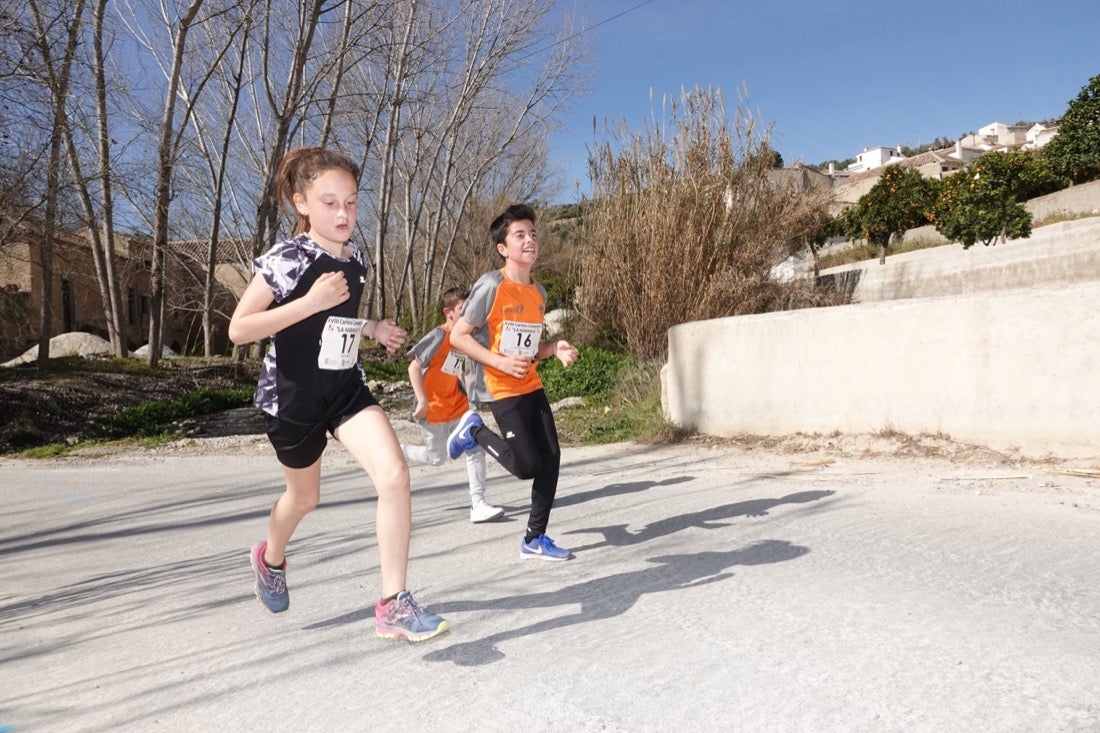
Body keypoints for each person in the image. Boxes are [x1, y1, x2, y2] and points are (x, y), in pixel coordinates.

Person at [228, 146, 448, 642]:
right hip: (293, 399)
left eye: (351, 201)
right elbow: (239, 330)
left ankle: (393, 602)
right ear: (302, 202)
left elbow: (337, 320)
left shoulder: (358, 256)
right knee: (304, 498)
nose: (344, 213)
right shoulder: (286, 260)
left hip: (344, 387)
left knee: (394, 475)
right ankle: (270, 557)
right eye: (330, 203)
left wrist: (371, 328)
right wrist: (309, 301)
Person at [446, 203, 580, 561]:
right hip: (500, 388)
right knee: (526, 467)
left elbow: (530, 348)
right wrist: (499, 361)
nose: (529, 240)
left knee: (551, 460)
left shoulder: (539, 293)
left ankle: (534, 538)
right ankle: (473, 432)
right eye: (519, 235)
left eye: (533, 234)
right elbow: (459, 336)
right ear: (503, 248)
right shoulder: (492, 285)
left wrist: (555, 348)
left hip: (530, 385)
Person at [401, 286, 505, 523]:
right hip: (434, 409)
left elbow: (455, 368)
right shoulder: (438, 336)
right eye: (462, 309)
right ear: (448, 312)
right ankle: (400, 450)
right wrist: (423, 401)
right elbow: (413, 367)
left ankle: (478, 504)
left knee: (474, 448)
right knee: (436, 458)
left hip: (458, 406)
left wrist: (470, 393)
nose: (467, 312)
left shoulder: (467, 336)